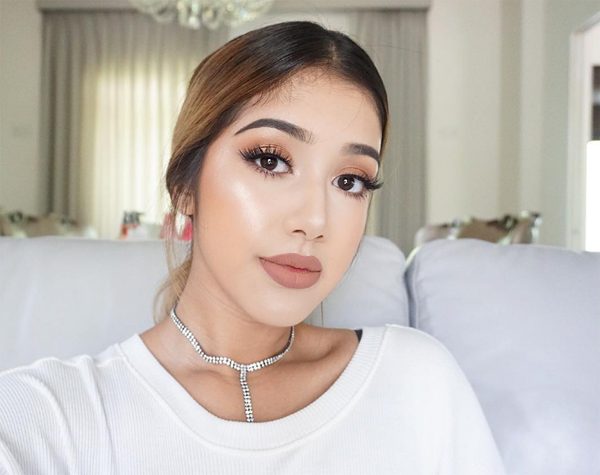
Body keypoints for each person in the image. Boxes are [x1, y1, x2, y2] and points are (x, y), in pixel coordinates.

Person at [0, 21, 506, 474]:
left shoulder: (416, 381)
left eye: (350, 181)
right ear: (185, 187)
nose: (314, 220)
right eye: (270, 160)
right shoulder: (46, 416)